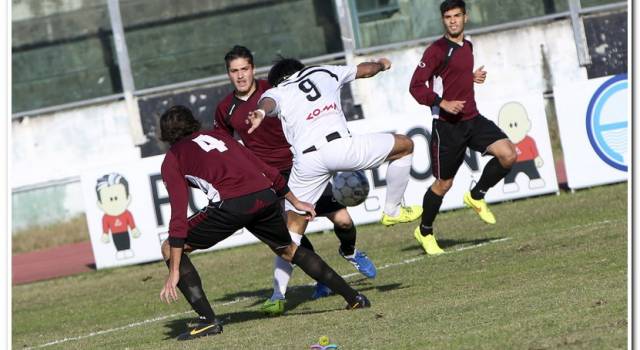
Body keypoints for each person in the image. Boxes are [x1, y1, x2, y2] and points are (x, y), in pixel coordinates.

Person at [158, 105, 371, 341]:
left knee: (170, 247)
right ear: (193, 122)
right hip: (265, 196)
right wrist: (295, 201)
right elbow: (263, 168)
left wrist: (174, 270)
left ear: (166, 136)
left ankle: (209, 322)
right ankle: (354, 298)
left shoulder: (173, 158)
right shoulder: (218, 135)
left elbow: (178, 214)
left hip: (232, 204)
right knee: (289, 250)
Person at [214, 45, 377, 316]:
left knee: (343, 220)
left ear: (253, 69)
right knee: (291, 235)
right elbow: (225, 144)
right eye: (234, 71)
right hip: (269, 180)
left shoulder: (278, 89)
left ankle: (349, 251)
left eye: (244, 69)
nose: (240, 76)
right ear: (228, 74)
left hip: (305, 165)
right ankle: (298, 288)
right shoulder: (226, 108)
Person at [246, 57, 423, 291]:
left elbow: (268, 102)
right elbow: (366, 70)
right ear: (301, 69)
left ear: (276, 81)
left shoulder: (277, 91)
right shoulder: (323, 71)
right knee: (405, 146)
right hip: (341, 148)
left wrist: (259, 111)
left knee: (291, 234)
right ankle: (392, 210)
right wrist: (382, 64)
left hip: (307, 162)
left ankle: (277, 296)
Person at [408, 0, 517, 255]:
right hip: (447, 127)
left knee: (508, 154)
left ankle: (476, 195)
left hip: (472, 119)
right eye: (448, 17)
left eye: (457, 15)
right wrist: (442, 103)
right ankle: (424, 231)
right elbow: (416, 86)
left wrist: (471, 78)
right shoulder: (435, 50)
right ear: (443, 20)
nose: (453, 20)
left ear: (466, 18)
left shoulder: (467, 46)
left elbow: (452, 76)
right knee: (443, 184)